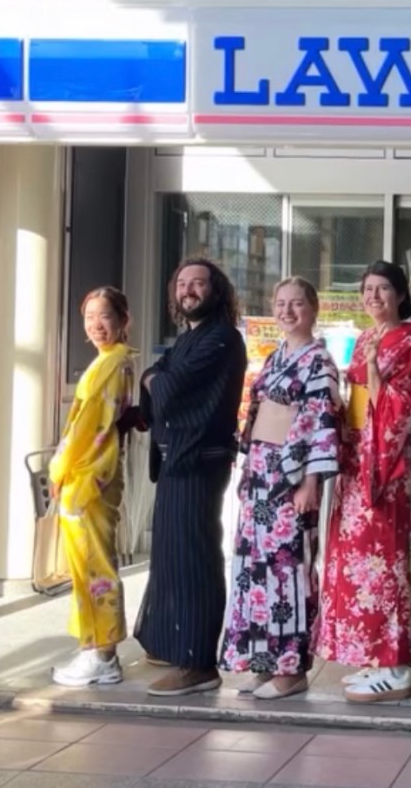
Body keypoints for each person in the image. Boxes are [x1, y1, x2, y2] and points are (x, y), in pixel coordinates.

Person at [219, 277, 340, 700]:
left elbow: (322, 425)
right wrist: (247, 467)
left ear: (314, 309)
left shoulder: (319, 363)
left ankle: (291, 669)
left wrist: (310, 480)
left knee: (288, 569)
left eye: (297, 304)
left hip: (290, 477)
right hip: (260, 474)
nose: (288, 311)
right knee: (254, 567)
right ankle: (262, 660)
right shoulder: (273, 359)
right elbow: (254, 415)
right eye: (281, 303)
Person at [313, 260, 411, 703]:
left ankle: (394, 665)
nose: (374, 297)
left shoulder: (410, 344)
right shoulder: (362, 339)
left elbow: (401, 407)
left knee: (383, 562)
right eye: (368, 289)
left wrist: (374, 373)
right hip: (358, 459)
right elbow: (356, 400)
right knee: (353, 560)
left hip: (384, 464)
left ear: (400, 295)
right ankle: (370, 656)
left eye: (383, 289)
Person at [135, 258, 248, 697]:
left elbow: (172, 386)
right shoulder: (192, 339)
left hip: (199, 460)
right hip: (178, 461)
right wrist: (155, 377)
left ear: (216, 290)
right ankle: (173, 644)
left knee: (192, 558)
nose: (189, 290)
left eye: (198, 283)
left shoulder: (222, 338)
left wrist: (153, 377)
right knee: (170, 555)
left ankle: (197, 662)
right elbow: (161, 380)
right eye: (182, 283)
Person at [49, 288, 137, 687]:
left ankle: (103, 654)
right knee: (87, 567)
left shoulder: (113, 363)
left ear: (123, 320)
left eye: (104, 316)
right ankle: (94, 648)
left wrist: (59, 467)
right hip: (87, 476)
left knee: (96, 565)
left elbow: (89, 430)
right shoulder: (107, 362)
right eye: (89, 318)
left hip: (90, 478)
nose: (96, 325)